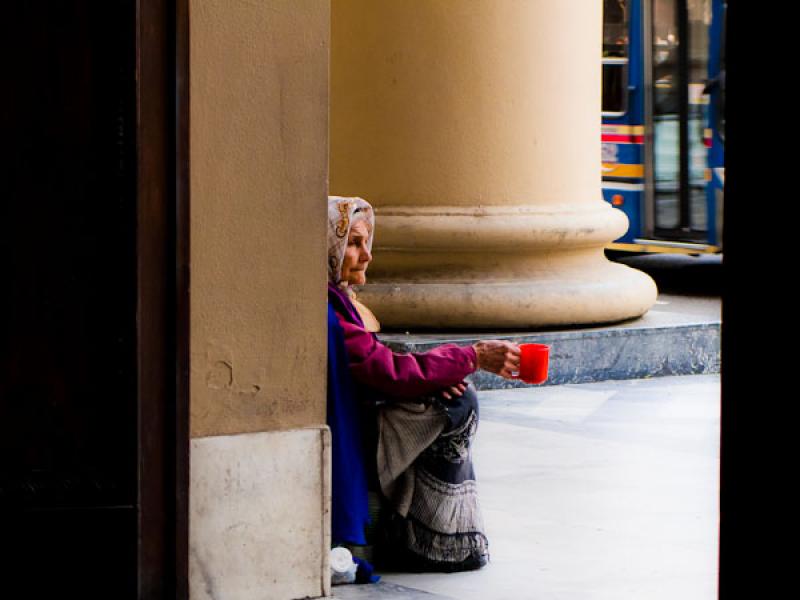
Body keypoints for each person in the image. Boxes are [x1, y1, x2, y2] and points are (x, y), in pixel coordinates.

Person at [326, 195, 521, 573]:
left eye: (366, 243)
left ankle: (429, 535)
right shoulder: (330, 311)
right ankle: (424, 539)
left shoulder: (340, 301)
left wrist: (439, 377)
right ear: (328, 248)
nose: (366, 256)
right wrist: (472, 357)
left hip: (363, 417)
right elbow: (389, 372)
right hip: (356, 431)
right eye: (353, 243)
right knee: (454, 406)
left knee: (455, 396)